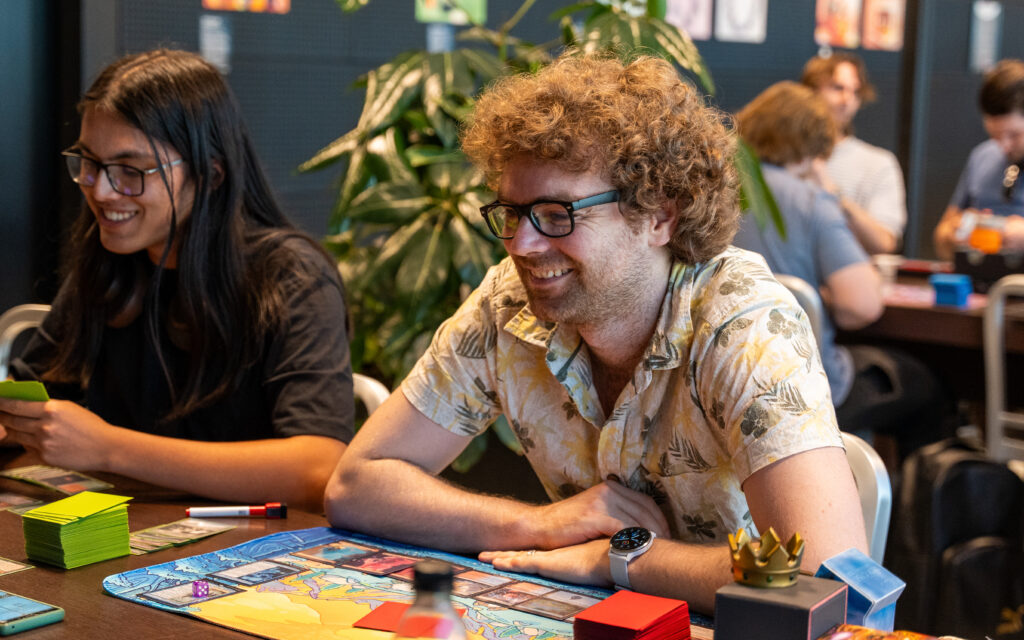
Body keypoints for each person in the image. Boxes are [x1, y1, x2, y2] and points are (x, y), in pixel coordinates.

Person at [325, 53, 867, 614]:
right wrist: (538, 525)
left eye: (557, 213)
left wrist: (622, 560)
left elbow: (823, 577)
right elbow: (356, 485)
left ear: (659, 216)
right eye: (511, 212)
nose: (521, 245)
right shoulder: (507, 304)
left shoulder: (741, 323)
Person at [0, 49, 353, 511]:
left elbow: (318, 468)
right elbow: (32, 400)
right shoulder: (108, 261)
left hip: (247, 538)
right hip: (128, 523)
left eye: (130, 171)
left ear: (210, 174)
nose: (100, 190)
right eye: (89, 163)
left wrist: (109, 448)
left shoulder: (291, 278)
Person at [733, 81, 948, 462]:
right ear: (812, 150)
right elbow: (861, 307)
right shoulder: (811, 201)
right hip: (801, 384)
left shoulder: (714, 188)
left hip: (725, 376)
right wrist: (823, 295)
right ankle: (893, 498)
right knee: (925, 389)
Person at [801, 52, 906, 255]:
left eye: (855, 92)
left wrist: (833, 194)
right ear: (809, 92)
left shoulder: (878, 163)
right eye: (837, 88)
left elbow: (884, 243)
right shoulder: (782, 156)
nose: (847, 100)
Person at [935, 59, 1024, 260]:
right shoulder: (982, 156)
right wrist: (954, 233)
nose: (1003, 146)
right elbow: (941, 237)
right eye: (995, 135)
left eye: (1014, 135)